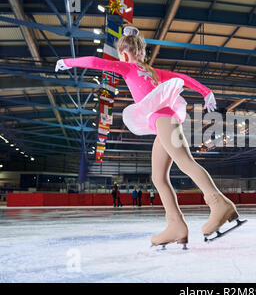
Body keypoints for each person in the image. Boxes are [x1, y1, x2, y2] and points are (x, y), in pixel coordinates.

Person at [55, 26, 242, 248]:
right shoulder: (154, 72)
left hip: (164, 119)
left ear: (124, 54)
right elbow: (182, 77)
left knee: (184, 162)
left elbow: (96, 62)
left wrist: (68, 62)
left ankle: (219, 204)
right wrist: (205, 91)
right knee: (158, 177)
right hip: (162, 122)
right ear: (142, 52)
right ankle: (175, 225)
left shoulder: (127, 68)